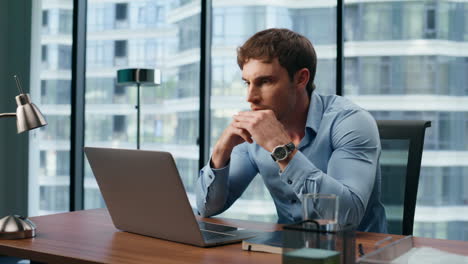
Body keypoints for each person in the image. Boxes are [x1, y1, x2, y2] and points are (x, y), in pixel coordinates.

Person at [195, 28, 387, 233]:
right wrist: (220, 152)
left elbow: (347, 218)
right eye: (247, 83)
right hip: (288, 248)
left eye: (265, 81)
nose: (250, 97)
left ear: (301, 78)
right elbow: (207, 208)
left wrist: (280, 149)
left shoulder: (351, 121)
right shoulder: (252, 129)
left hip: (357, 252)